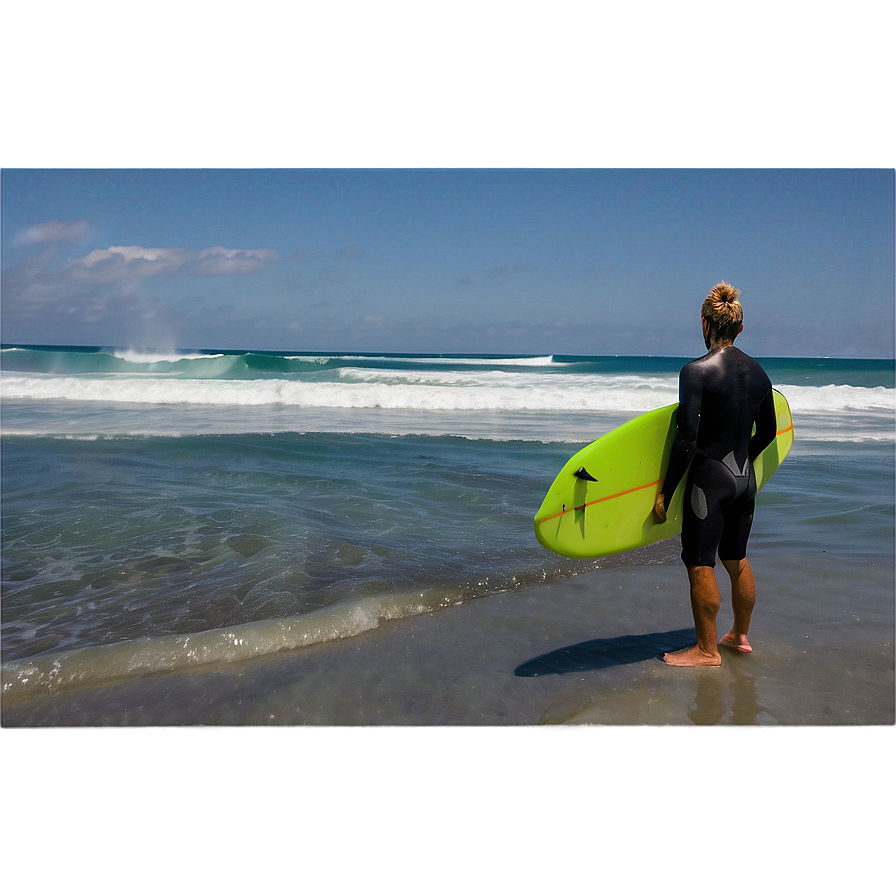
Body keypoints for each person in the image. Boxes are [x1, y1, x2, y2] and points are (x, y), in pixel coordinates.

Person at [652, 282, 777, 667]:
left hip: (710, 479)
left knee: (699, 560)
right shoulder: (760, 375)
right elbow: (769, 434)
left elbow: (687, 439)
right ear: (740, 329)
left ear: (704, 324)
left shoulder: (696, 372)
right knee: (736, 557)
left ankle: (706, 650)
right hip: (745, 479)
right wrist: (741, 464)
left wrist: (665, 494)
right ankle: (739, 635)